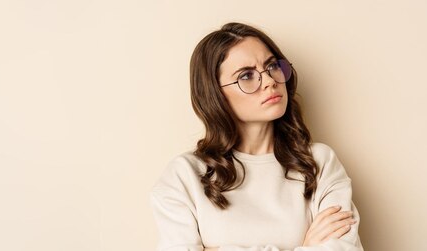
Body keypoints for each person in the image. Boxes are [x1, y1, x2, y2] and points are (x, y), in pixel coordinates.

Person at [149, 22, 364, 251]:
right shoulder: (184, 175)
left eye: (272, 66)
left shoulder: (319, 162)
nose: (270, 81)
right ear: (214, 95)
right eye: (246, 75)